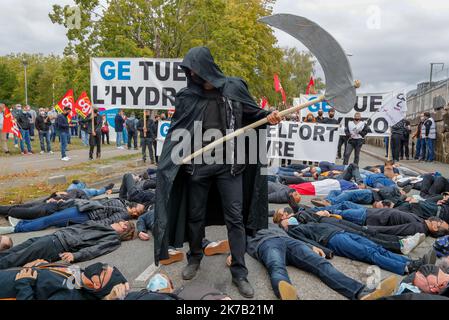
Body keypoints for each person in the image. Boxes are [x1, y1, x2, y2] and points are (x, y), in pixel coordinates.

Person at [153, 47, 281, 298]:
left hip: (230, 166)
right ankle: (195, 257)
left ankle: (240, 272)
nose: (190, 74)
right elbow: (178, 130)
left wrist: (269, 117)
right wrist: (170, 162)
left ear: (205, 68)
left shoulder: (234, 88)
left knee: (235, 218)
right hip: (197, 167)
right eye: (188, 70)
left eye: (194, 69)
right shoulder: (187, 96)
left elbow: (253, 114)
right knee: (195, 216)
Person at [247, 224, 399, 300]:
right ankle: (290, 297)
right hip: (267, 243)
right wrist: (236, 254)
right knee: (276, 267)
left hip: (291, 242)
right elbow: (237, 237)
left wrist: (310, 246)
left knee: (321, 264)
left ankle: (361, 292)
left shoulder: (280, 226)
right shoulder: (247, 224)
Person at [279, 218, 432, 275]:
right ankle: (404, 268)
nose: (288, 218)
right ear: (284, 226)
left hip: (341, 232)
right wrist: (325, 252)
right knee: (368, 252)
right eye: (284, 219)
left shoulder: (303, 221)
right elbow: (307, 244)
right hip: (333, 240)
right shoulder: (294, 231)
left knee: (376, 247)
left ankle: (409, 263)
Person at [0, 220, 135, 269]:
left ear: (124, 230)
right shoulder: (106, 225)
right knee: (18, 250)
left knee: (17, 257)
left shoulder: (113, 238)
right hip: (54, 237)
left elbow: (96, 250)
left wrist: (75, 255)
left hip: (58, 245)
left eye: (124, 224)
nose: (120, 222)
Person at [0, 198, 145, 234]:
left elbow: (107, 221)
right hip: (83, 208)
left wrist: (91, 222)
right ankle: (21, 223)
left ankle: (16, 229)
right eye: (139, 207)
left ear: (135, 213)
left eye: (139, 210)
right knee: (51, 218)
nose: (138, 208)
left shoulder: (124, 214)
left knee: (49, 220)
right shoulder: (123, 203)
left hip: (86, 215)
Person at [0, 261, 129, 300]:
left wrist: (24, 284)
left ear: (96, 285)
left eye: (104, 270)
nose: (102, 266)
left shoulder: (70, 295)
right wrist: (44, 266)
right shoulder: (80, 275)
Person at [314, 201, 449, 237]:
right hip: (373, 213)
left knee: (336, 212)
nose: (439, 220)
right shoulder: (421, 220)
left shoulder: (419, 227)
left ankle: (308, 212)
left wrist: (370, 229)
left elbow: (394, 230)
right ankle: (322, 207)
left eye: (441, 222)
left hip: (370, 218)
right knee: (342, 208)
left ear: (436, 227)